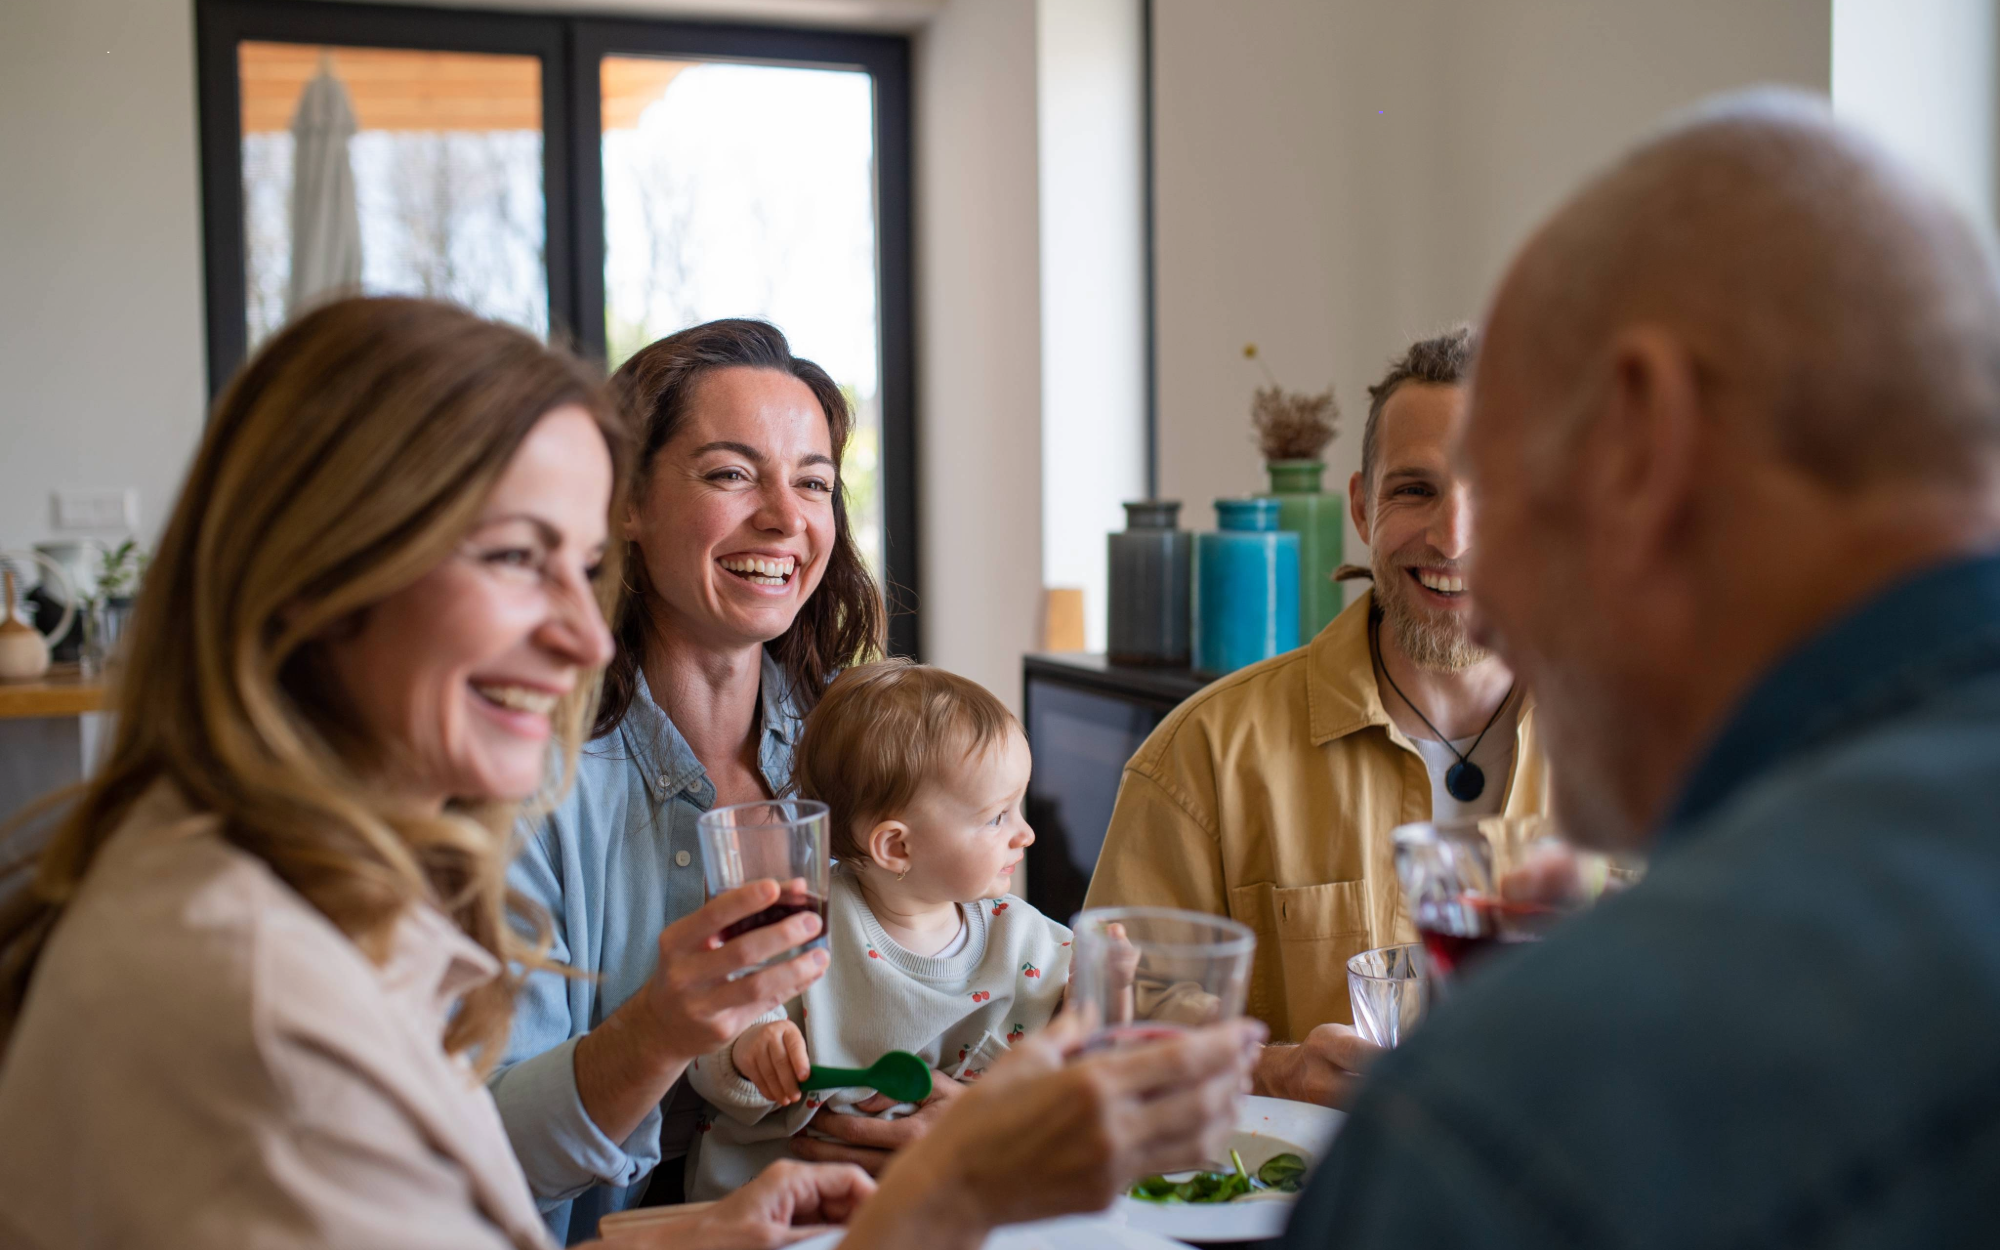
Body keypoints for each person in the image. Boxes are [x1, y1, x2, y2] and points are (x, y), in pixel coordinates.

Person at [0, 296, 1265, 1250]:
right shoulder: (259, 975)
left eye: (813, 481)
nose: (574, 626)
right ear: (323, 573)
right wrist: (931, 1195)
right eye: (512, 555)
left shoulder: (857, 733)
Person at [1284, 91, 2000, 1247]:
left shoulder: (1515, 1123)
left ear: (1637, 445)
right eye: (1419, 495)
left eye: (1500, 489)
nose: (1475, 577)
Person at [488, 320, 949, 1242]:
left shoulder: (864, 746)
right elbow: (485, 1159)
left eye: (813, 482)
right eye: (732, 473)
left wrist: (933, 1103)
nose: (785, 517)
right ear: (626, 501)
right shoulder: (521, 782)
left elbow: (959, 970)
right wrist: (658, 1031)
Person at [1083, 328, 1551, 1106]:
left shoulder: (1654, 755)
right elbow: (1102, 1019)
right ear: (1363, 509)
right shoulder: (1202, 757)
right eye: (1415, 490)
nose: (1453, 537)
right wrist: (1274, 1070)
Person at [686, 660, 1073, 1200]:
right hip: (777, 1213)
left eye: (1018, 808)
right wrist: (750, 1047)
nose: (1025, 833)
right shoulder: (800, 921)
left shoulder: (1018, 935)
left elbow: (1084, 1027)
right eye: (996, 817)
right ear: (897, 847)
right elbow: (706, 1036)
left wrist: (1110, 983)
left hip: (936, 1209)